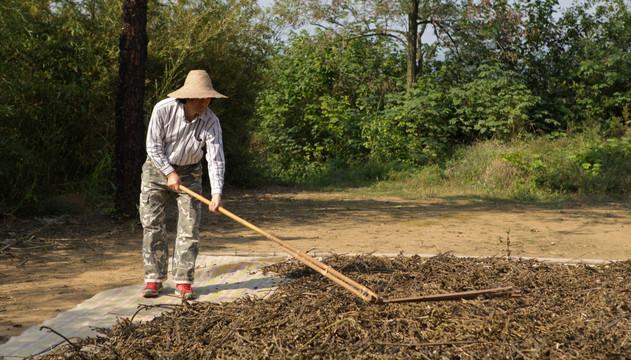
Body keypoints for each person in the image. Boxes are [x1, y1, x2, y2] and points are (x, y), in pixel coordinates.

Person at [139, 70, 227, 300]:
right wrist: (169, 172)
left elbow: (215, 158)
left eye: (207, 98)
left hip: (190, 173)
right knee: (152, 224)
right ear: (187, 97)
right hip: (157, 169)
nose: (203, 103)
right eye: (199, 98)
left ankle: (183, 281)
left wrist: (216, 194)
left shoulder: (211, 121)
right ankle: (153, 279)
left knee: (189, 227)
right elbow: (153, 146)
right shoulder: (163, 109)